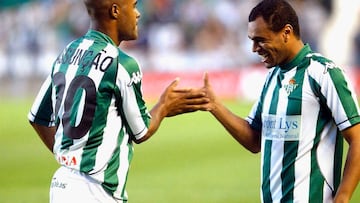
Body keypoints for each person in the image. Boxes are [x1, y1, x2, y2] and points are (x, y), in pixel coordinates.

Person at [27, 0, 208, 202]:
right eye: (133, 5)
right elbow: (141, 131)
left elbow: (37, 117)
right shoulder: (121, 63)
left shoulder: (67, 53)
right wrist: (165, 105)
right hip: (95, 191)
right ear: (115, 10)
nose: (138, 14)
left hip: (62, 183)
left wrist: (72, 159)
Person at [202, 0, 360, 202]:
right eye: (252, 40)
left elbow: (357, 139)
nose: (254, 48)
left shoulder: (324, 73)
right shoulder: (271, 77)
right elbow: (254, 139)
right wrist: (214, 105)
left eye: (260, 40)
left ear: (286, 32)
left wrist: (343, 196)